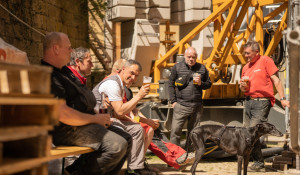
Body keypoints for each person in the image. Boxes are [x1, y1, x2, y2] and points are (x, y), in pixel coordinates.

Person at [41, 32, 132, 175]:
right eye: (68, 48)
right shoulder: (48, 74)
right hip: (66, 129)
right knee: (116, 145)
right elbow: (62, 113)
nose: (71, 51)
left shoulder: (64, 71)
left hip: (84, 124)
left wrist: (97, 116)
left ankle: (73, 170)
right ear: (56, 48)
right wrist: (95, 119)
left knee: (127, 138)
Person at [93, 59, 152, 175]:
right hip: (97, 121)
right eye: (131, 73)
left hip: (108, 118)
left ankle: (135, 169)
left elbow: (119, 112)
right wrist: (139, 96)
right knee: (124, 133)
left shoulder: (121, 85)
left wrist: (140, 120)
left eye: (136, 75)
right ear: (123, 69)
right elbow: (119, 112)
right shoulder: (113, 84)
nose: (133, 78)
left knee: (137, 129)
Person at [240, 40, 290, 171]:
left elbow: (277, 81)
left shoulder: (266, 61)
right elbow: (244, 90)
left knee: (253, 132)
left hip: (262, 101)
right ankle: (252, 160)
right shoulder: (246, 67)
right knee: (246, 132)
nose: (246, 55)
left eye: (248, 53)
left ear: (257, 52)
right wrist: (242, 87)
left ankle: (259, 163)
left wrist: (283, 99)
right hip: (248, 101)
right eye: (245, 53)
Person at [168, 47, 212, 148]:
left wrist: (201, 83)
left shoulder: (202, 68)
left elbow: (209, 84)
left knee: (194, 132)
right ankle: (174, 156)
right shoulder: (177, 67)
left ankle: (191, 155)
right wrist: (173, 101)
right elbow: (170, 84)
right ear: (184, 56)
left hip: (197, 106)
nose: (191, 59)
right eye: (189, 57)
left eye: (193, 57)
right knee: (175, 131)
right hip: (181, 105)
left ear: (196, 57)